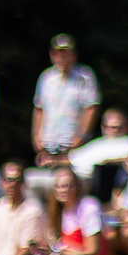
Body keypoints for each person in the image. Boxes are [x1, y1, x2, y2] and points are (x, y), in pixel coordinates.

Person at [31, 34, 99, 166]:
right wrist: (36, 138)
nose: (61, 58)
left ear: (74, 55)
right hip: (48, 145)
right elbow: (39, 108)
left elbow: (91, 108)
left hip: (72, 145)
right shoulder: (46, 78)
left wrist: (81, 136)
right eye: (57, 54)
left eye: (65, 54)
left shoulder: (84, 76)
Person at [69, 107, 128, 184]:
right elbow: (73, 157)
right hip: (77, 177)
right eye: (108, 127)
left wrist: (103, 162)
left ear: (126, 127)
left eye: (116, 127)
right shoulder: (97, 143)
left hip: (101, 182)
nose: (113, 130)